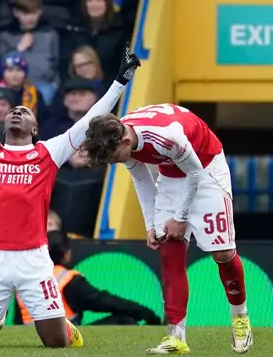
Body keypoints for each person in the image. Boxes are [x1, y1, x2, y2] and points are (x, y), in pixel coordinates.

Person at [0, 30, 140, 348]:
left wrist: (120, 80)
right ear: (4, 124)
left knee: (56, 342)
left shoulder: (49, 152)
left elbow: (89, 119)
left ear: (35, 128)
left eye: (25, 112)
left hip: (33, 258)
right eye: (13, 112)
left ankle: (64, 327)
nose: (18, 111)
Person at [80, 104, 252, 354]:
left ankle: (240, 317)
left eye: (115, 157)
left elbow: (194, 173)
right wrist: (151, 224)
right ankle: (176, 336)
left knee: (223, 254)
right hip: (172, 175)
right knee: (169, 249)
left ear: (126, 140)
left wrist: (180, 218)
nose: (115, 162)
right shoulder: (119, 135)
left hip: (205, 169)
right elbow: (141, 178)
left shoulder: (166, 136)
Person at [17, 230, 161, 326]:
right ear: (66, 253)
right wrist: (146, 313)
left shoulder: (25, 278)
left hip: (32, 337)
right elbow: (106, 302)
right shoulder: (67, 280)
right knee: (123, 321)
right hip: (62, 337)